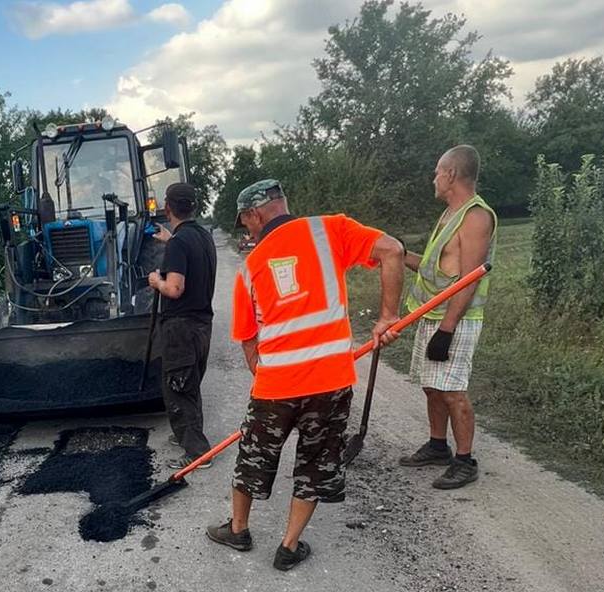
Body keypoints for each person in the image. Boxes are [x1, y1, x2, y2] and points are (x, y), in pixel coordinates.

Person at [207, 179, 404, 570]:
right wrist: (387, 317)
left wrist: (263, 384)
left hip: (275, 386)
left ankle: (239, 529)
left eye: (245, 222)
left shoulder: (250, 268)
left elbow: (248, 341)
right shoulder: (329, 229)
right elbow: (393, 250)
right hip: (330, 382)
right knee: (315, 463)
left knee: (253, 456)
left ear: (255, 213)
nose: (246, 230)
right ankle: (289, 546)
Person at [399, 145, 497, 489]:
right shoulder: (448, 215)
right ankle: (438, 445)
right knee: (432, 387)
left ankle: (465, 460)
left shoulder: (475, 217)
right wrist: (397, 251)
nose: (434, 179)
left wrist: (447, 330)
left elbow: (470, 278)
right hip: (434, 315)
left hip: (455, 319)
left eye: (438, 172)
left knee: (453, 390)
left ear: (451, 174)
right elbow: (433, 268)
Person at [147, 182, 218, 469]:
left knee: (178, 386)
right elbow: (187, 250)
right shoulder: (202, 236)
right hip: (203, 323)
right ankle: (187, 436)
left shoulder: (179, 243)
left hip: (181, 326)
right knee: (190, 383)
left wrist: (156, 281)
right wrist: (170, 239)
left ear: (168, 209)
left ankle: (197, 453)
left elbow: (175, 288)